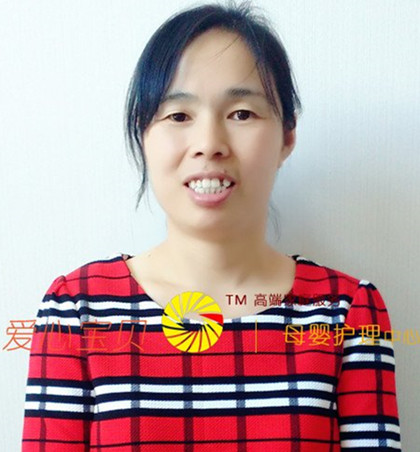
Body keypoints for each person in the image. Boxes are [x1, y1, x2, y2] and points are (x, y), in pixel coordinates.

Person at [22, 2, 401, 450]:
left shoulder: (346, 311)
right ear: (143, 135)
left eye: (241, 113)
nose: (209, 144)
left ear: (287, 137)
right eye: (178, 115)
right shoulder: (77, 310)